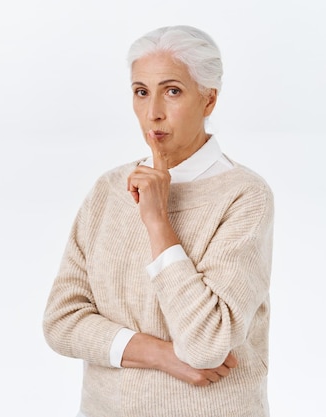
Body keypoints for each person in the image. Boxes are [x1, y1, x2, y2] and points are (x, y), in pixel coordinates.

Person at [42, 25, 274, 417]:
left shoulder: (244, 196)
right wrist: (164, 356)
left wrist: (157, 222)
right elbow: (61, 322)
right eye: (141, 92)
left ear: (208, 99)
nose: (153, 113)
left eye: (173, 91)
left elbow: (206, 344)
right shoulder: (109, 189)